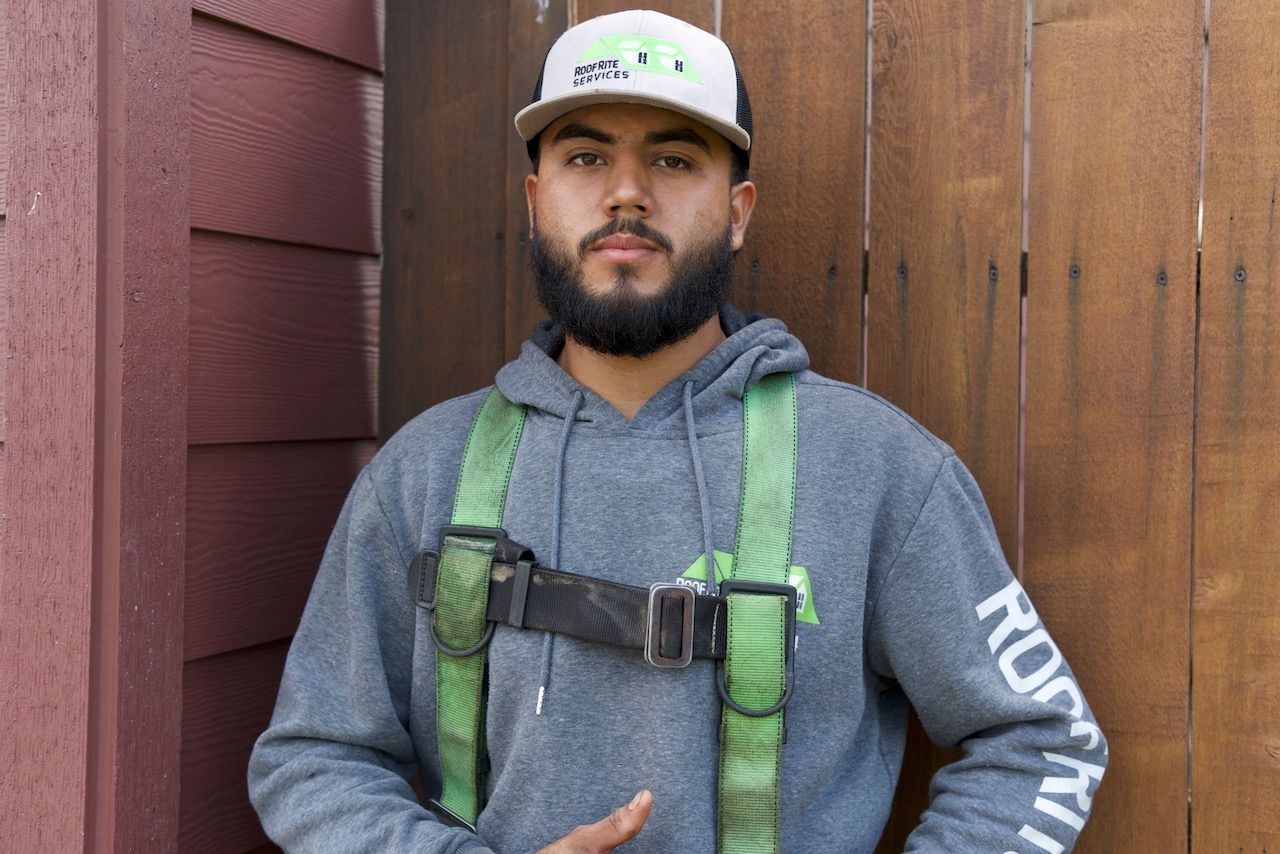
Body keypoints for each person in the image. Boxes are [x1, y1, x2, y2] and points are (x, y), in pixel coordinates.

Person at [248, 10, 1106, 853]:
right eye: (587, 157)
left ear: (736, 212)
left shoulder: (880, 471)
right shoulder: (423, 473)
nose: (628, 191)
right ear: (537, 199)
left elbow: (1041, 745)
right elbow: (313, 760)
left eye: (672, 157)